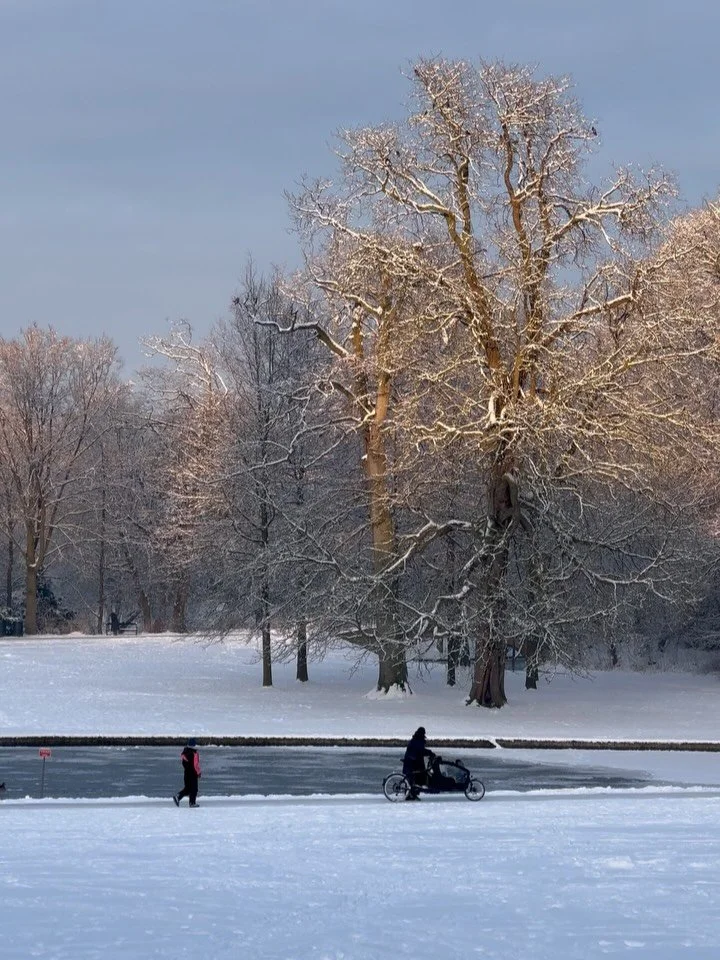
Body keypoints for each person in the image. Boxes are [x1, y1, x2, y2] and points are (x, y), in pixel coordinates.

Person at [403, 726, 434, 800]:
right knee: (415, 778)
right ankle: (411, 795)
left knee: (414, 779)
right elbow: (421, 751)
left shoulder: (416, 739)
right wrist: (430, 753)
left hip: (413, 761)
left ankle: (412, 794)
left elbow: (420, 751)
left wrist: (428, 752)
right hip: (413, 762)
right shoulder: (418, 740)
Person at [173, 739, 201, 807]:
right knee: (194, 789)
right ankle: (191, 803)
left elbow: (185, 764)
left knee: (188, 788)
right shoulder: (194, 753)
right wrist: (198, 772)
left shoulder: (185, 752)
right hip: (193, 774)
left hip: (186, 773)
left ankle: (179, 797)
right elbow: (195, 765)